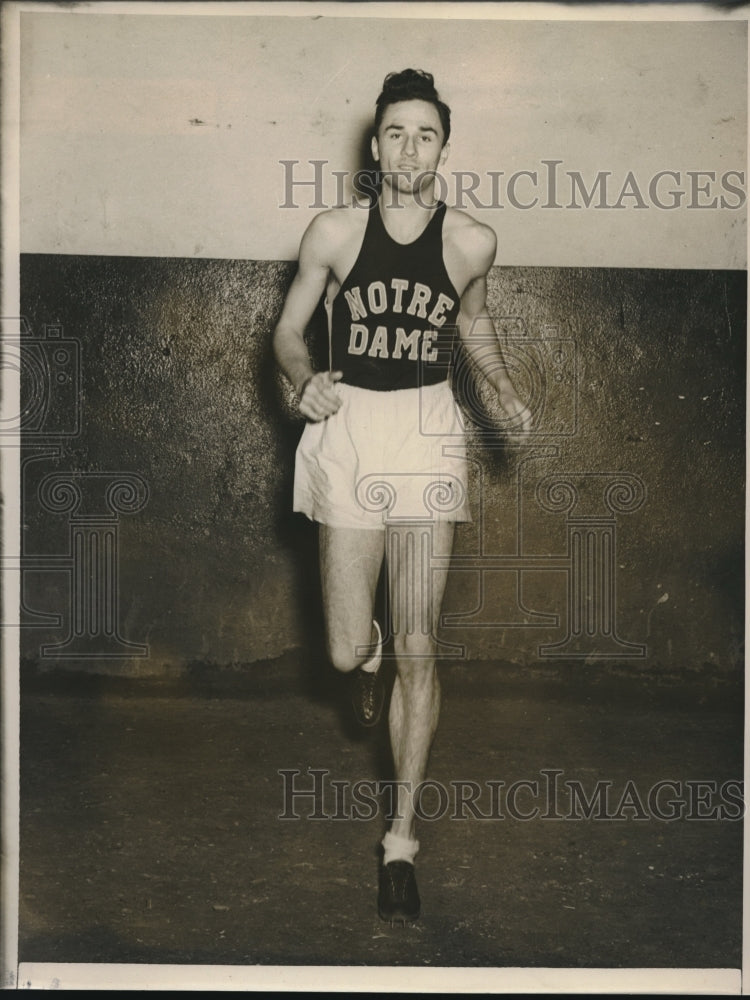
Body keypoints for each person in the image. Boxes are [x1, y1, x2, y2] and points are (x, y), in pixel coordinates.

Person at [273, 69, 531, 925]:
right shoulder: (335, 232)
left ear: (443, 147)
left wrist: (497, 388)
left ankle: (400, 842)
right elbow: (286, 329)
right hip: (349, 430)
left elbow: (475, 322)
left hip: (426, 436)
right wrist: (303, 378)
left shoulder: (471, 242)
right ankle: (370, 650)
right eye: (395, 133)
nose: (409, 148)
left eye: (426, 134)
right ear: (374, 145)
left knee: (423, 648)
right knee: (349, 653)